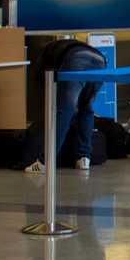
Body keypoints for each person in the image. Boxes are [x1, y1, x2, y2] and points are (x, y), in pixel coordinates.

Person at [36, 37, 108, 170]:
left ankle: (44, 162)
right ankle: (83, 158)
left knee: (64, 111)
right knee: (86, 108)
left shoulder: (45, 53)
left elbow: (43, 81)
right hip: (100, 60)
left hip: (76, 60)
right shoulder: (64, 46)